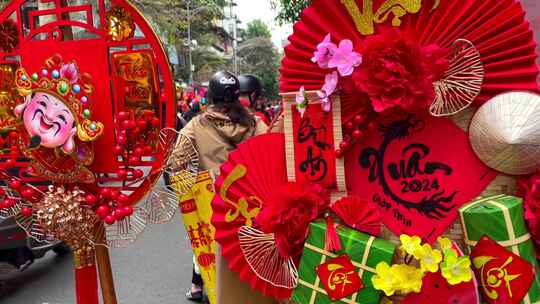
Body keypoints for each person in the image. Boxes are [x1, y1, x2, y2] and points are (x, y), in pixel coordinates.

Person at [174, 71, 268, 303]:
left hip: (215, 208)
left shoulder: (196, 126)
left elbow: (177, 162)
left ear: (211, 98)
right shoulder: (256, 122)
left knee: (219, 266)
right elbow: (270, 153)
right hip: (253, 206)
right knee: (253, 263)